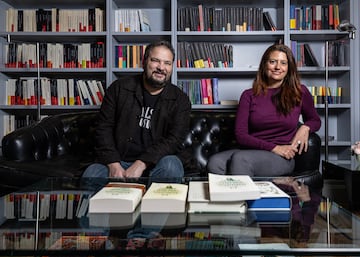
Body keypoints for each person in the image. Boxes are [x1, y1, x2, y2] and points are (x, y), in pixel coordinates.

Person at [82, 40, 192, 180]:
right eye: (155, 60)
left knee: (171, 166)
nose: (161, 67)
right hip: (118, 160)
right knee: (92, 174)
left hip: (156, 163)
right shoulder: (119, 88)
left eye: (167, 63)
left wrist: (141, 163)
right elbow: (103, 128)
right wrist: (113, 164)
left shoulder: (180, 100)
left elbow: (174, 140)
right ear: (144, 61)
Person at [207, 44, 321, 176]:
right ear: (264, 65)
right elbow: (241, 135)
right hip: (257, 150)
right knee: (214, 163)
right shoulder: (248, 95)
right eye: (273, 62)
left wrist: (305, 127)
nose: (278, 67)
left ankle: (245, 197)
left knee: (240, 160)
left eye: (283, 63)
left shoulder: (300, 92)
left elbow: (315, 120)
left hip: (282, 156)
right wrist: (274, 148)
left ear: (289, 68)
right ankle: (229, 196)